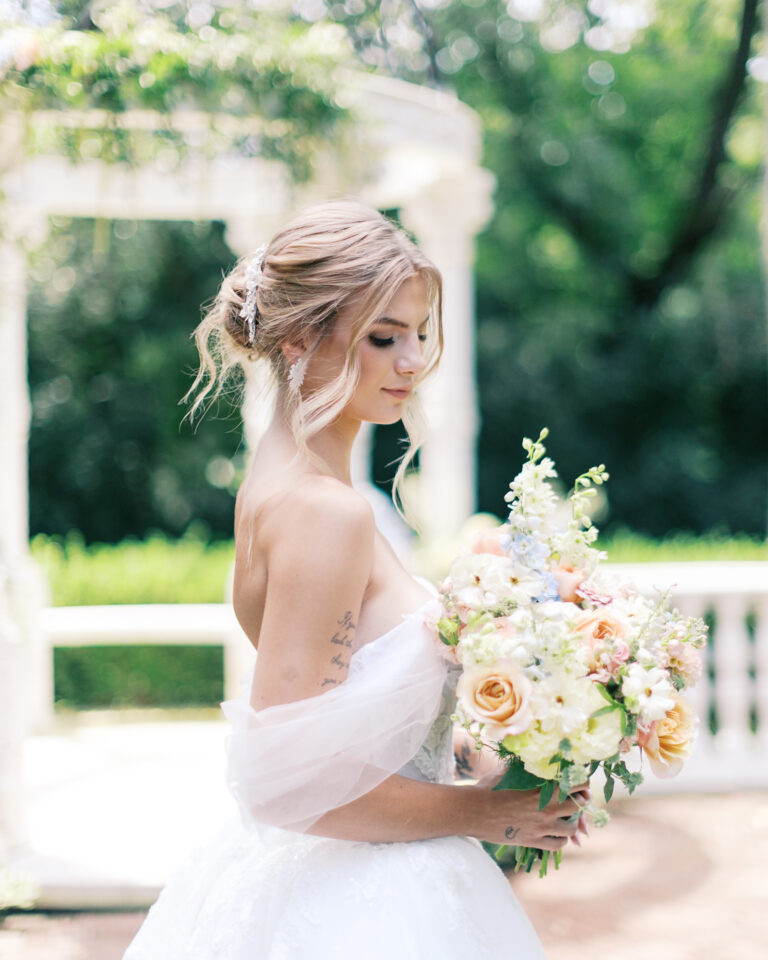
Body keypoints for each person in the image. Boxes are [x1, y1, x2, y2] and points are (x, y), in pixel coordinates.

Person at [123, 198, 586, 959]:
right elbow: (286, 782)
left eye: (420, 334)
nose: (414, 361)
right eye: (384, 337)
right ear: (303, 338)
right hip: (369, 908)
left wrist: (479, 747)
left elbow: (342, 716)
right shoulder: (323, 513)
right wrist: (483, 812)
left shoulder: (277, 485)